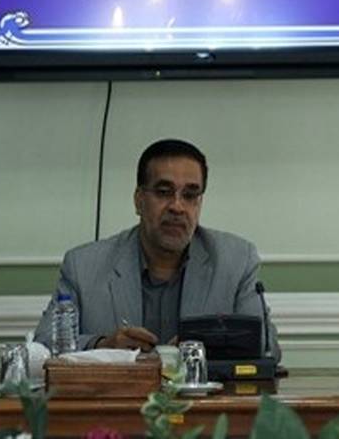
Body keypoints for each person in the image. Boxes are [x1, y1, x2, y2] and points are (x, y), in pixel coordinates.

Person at [35, 138, 280, 359]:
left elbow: (267, 347)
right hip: (118, 395)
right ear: (139, 200)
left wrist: (209, 345)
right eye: (164, 192)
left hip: (203, 395)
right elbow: (44, 345)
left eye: (190, 195)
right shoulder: (83, 266)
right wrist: (102, 345)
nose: (177, 207)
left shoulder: (236, 261)